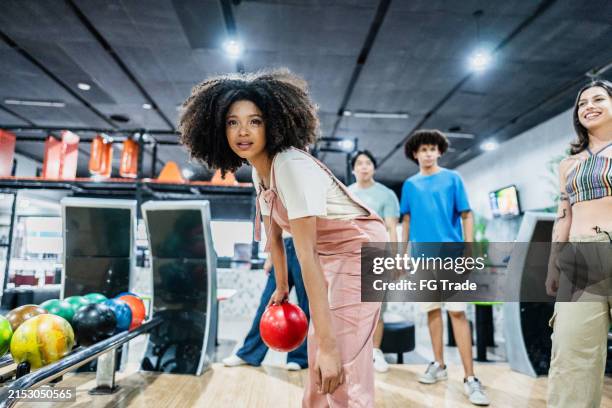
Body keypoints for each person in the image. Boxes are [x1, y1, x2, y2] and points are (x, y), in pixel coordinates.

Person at [179, 69, 388, 407]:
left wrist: (330, 347)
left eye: (255, 121)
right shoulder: (261, 173)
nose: (243, 131)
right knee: (320, 347)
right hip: (334, 252)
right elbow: (275, 237)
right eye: (233, 122)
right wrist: (280, 286)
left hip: (364, 249)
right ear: (219, 128)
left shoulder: (290, 165)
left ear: (273, 123)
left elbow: (306, 256)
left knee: (339, 356)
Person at [400, 129, 490, 406]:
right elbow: (406, 221)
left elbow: (466, 214)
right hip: (421, 258)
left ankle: (470, 378)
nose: (427, 153)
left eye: (432, 149)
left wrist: (469, 248)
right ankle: (438, 364)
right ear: (415, 154)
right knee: (432, 313)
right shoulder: (410, 185)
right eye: (422, 149)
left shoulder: (453, 178)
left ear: (439, 151)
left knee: (458, 314)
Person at [545, 79, 612, 408]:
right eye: (582, 103)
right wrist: (552, 265)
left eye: (599, 98)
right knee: (571, 355)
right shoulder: (568, 164)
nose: (589, 106)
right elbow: (563, 216)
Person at [223, 237, 310, 371]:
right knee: (268, 305)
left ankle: (299, 358)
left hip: (304, 246)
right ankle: (248, 354)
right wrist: (270, 257)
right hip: (282, 247)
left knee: (306, 306)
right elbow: (274, 234)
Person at [348, 150, 400, 373]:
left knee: (377, 308)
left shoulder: (386, 195)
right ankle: (356, 353)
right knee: (353, 309)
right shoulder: (346, 193)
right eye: (359, 163)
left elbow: (391, 228)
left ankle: (375, 352)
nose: (364, 166)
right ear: (353, 169)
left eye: (368, 163)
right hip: (351, 258)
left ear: (374, 168)